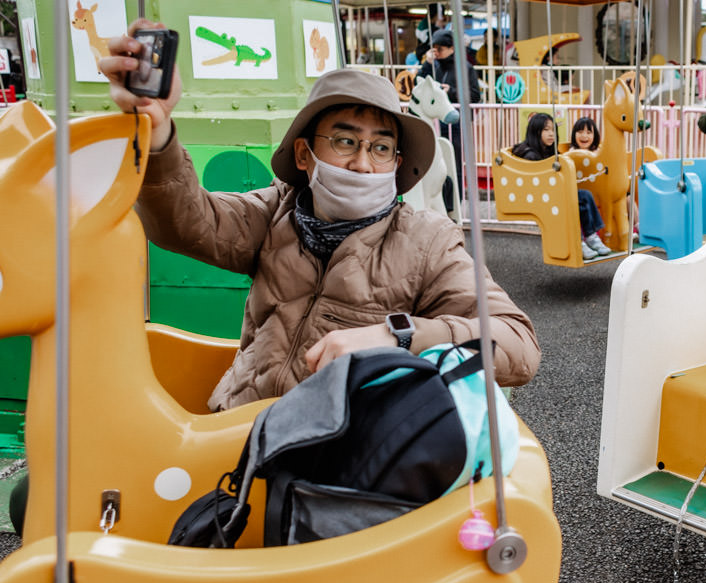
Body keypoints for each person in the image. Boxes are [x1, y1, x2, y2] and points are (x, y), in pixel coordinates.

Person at [98, 20, 540, 412]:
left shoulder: (427, 240)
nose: (364, 164)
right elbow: (186, 223)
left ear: (397, 162)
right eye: (346, 142)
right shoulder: (275, 212)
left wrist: (397, 336)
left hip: (339, 460)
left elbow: (516, 344)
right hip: (236, 431)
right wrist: (156, 132)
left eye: (381, 147)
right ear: (304, 154)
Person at [511, 113, 610, 260]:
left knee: (585, 195)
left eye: (553, 130)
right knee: (573, 203)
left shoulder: (548, 151)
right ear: (536, 131)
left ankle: (590, 237)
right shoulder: (530, 155)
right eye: (546, 130)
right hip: (541, 195)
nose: (551, 134)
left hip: (553, 192)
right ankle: (579, 241)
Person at [419, 28, 481, 198]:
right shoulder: (433, 66)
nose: (436, 52)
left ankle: (456, 201)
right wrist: (427, 64)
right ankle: (440, 203)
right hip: (434, 123)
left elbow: (475, 95)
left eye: (440, 49)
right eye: (434, 48)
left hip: (457, 124)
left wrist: (451, 91)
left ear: (452, 49)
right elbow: (419, 86)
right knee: (435, 163)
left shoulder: (465, 68)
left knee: (454, 163)